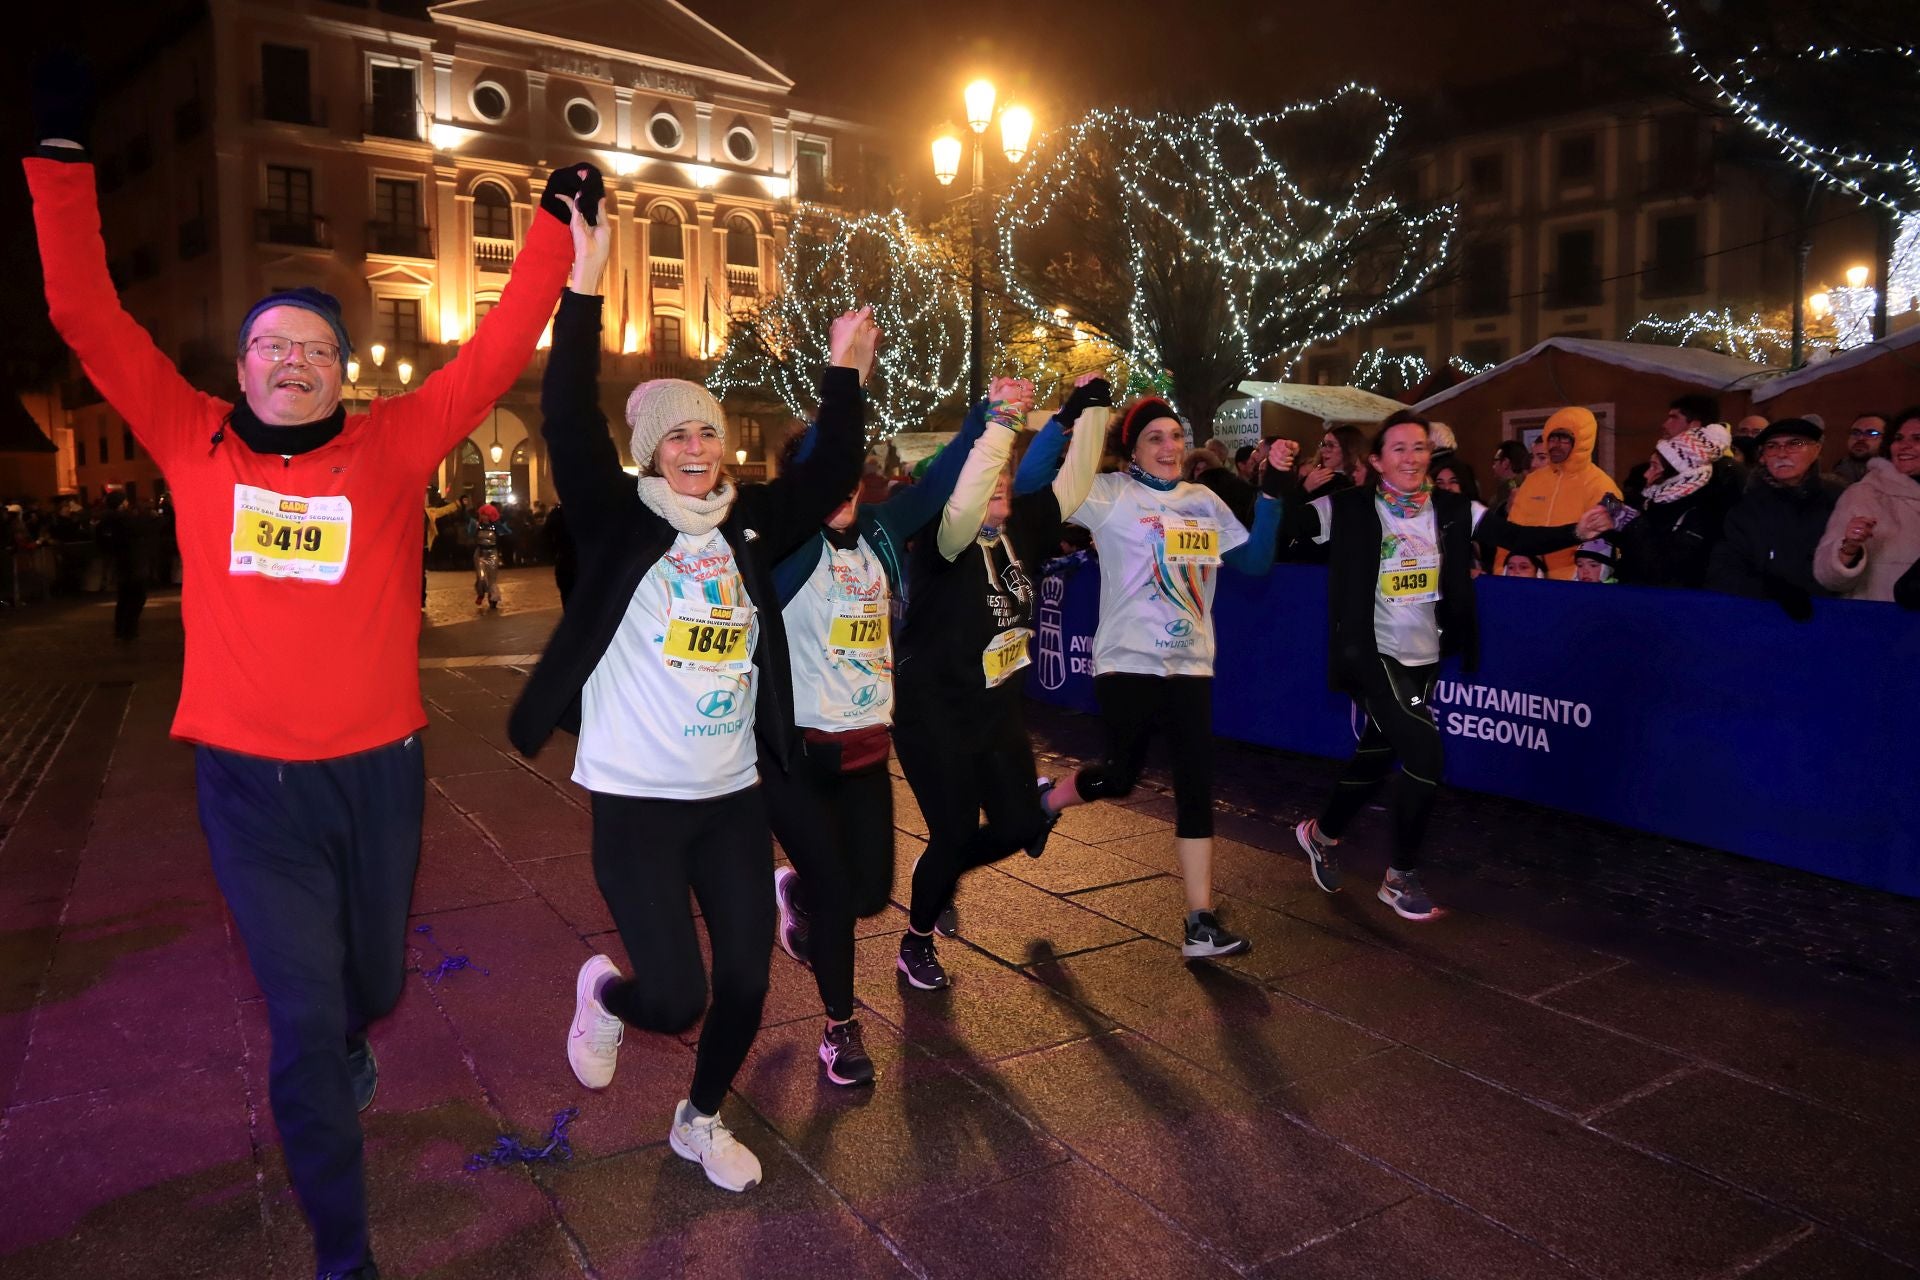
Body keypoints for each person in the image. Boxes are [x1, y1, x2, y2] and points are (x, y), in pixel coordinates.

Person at [26, 47, 594, 1278]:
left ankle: (350, 1032)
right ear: (240, 369)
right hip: (247, 785)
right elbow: (85, 315)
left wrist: (552, 227)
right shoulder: (189, 442)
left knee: (370, 983)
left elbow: (498, 346)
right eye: (272, 345)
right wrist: (61, 162)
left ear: (342, 369)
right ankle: (346, 1251)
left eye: (316, 348)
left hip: (378, 775)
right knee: (299, 1014)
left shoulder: (394, 446)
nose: (294, 360)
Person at [506, 194, 870, 1194]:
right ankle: (607, 992)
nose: (698, 448)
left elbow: (835, 464)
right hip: (636, 799)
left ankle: (697, 1117)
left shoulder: (750, 523)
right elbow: (567, 412)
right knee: (674, 994)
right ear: (653, 451)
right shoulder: (615, 519)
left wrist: (843, 370)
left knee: (748, 982)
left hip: (732, 795)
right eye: (679, 437)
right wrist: (583, 283)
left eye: (707, 431)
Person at [762, 377, 1013, 1087]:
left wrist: (982, 420)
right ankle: (840, 1028)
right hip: (800, 757)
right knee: (844, 901)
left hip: (869, 749)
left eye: (846, 474)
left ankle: (801, 897)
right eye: (823, 475)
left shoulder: (876, 529)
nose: (839, 490)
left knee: (870, 895)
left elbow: (935, 490)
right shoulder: (783, 551)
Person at [1034, 397, 1292, 959]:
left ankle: (1200, 921)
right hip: (1127, 661)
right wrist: (1077, 423)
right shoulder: (1108, 495)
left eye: (1176, 436)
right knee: (1122, 777)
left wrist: (1272, 492)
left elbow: (1255, 564)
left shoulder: (1204, 500)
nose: (1170, 447)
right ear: (1133, 448)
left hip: (1191, 663)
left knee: (1196, 785)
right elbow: (1044, 492)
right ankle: (1049, 803)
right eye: (1155, 437)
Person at [890, 374, 1110, 990]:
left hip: (999, 718)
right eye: (990, 476)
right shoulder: (941, 542)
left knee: (1018, 827)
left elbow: (1073, 483)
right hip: (935, 717)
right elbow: (962, 508)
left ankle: (943, 874)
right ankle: (916, 940)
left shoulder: (1019, 530)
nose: (1003, 482)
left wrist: (1092, 409)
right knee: (954, 831)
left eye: (1006, 476)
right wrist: (1000, 426)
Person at [1286, 413, 1479, 921]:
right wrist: (1285, 483)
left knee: (1378, 752)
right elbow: (1289, 524)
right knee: (1425, 755)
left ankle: (1320, 835)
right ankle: (1399, 877)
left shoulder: (1452, 508)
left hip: (1426, 653)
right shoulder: (1348, 506)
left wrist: (1576, 528)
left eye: (1419, 448)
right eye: (1398, 449)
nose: (1411, 458)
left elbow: (1515, 532)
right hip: (1373, 653)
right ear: (1376, 461)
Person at [1707, 418, 1843, 617]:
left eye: (1794, 444)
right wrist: (1770, 590)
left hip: (1826, 616)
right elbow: (1724, 569)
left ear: (1816, 450)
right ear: (1763, 456)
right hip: (1760, 616)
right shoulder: (1746, 507)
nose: (1781, 453)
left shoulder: (1838, 500)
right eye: (1772, 446)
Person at [1495, 407, 1621, 579]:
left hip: (1574, 586)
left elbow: (1607, 546)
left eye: (1564, 439)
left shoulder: (1604, 486)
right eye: (1552, 438)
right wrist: (1499, 573)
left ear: (1582, 441)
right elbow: (1509, 534)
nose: (1555, 445)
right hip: (1529, 583)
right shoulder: (1532, 482)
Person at [1815, 407, 1920, 602]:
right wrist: (1849, 549)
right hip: (1880, 621)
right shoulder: (1865, 494)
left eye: (1917, 438)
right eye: (1898, 438)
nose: (1904, 445)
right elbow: (1827, 577)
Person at [94, 489, 147, 639]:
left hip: (119, 562)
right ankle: (129, 628)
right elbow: (140, 530)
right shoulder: (126, 519)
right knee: (137, 597)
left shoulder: (104, 522)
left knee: (124, 598)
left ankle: (120, 628)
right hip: (132, 561)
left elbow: (101, 542)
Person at [1833, 413, 1889, 486]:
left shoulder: (1897, 479)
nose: (1860, 438)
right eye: (1855, 433)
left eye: (1871, 433)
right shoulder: (1834, 479)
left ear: (1887, 439)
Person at [471, 501, 505, 609]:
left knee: (492, 578)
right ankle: (480, 593)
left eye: (487, 515)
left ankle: (493, 597)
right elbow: (470, 534)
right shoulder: (476, 525)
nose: (484, 517)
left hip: (492, 553)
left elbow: (506, 533)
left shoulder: (496, 527)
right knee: (481, 577)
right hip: (480, 553)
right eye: (483, 514)